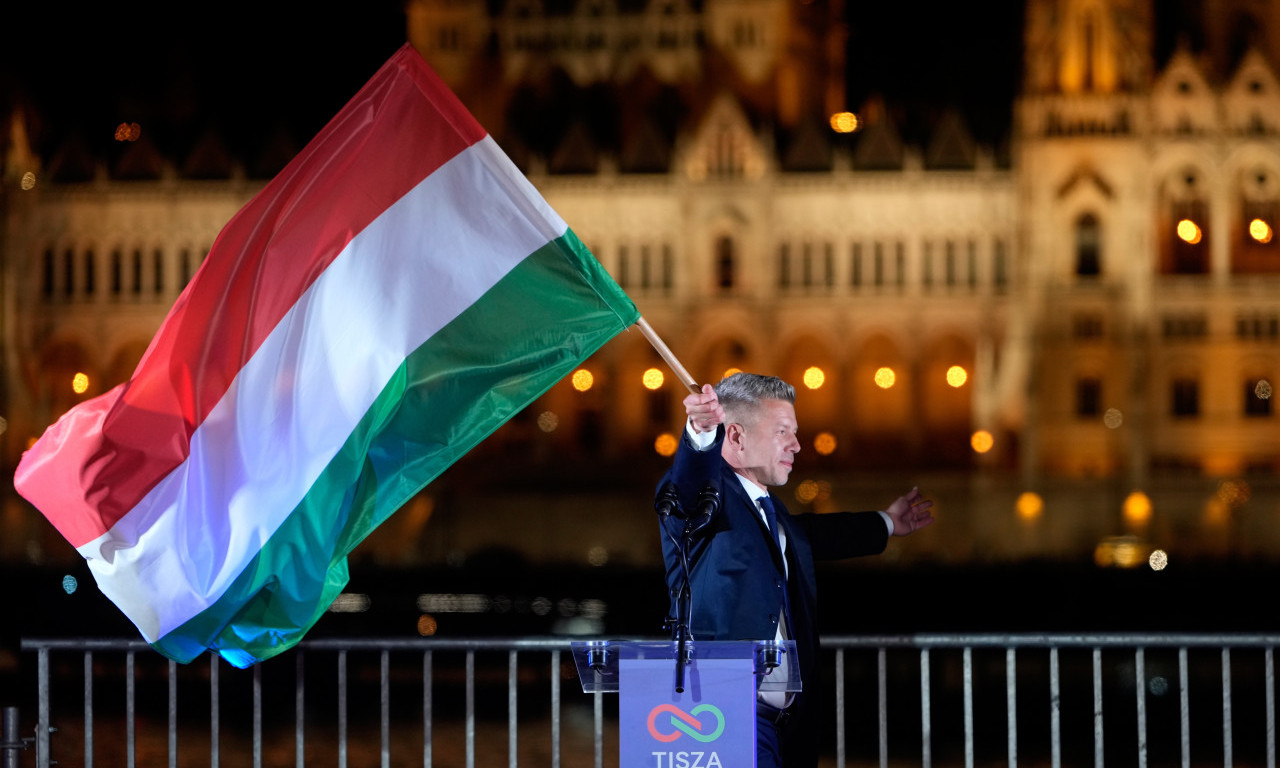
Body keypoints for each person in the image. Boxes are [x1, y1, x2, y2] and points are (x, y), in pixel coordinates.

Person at [656, 372, 934, 768]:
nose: (797, 444)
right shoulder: (705, 501)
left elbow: (811, 535)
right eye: (783, 431)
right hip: (721, 716)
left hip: (781, 724)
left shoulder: (769, 512)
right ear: (735, 436)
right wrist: (700, 432)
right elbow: (685, 486)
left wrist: (886, 522)